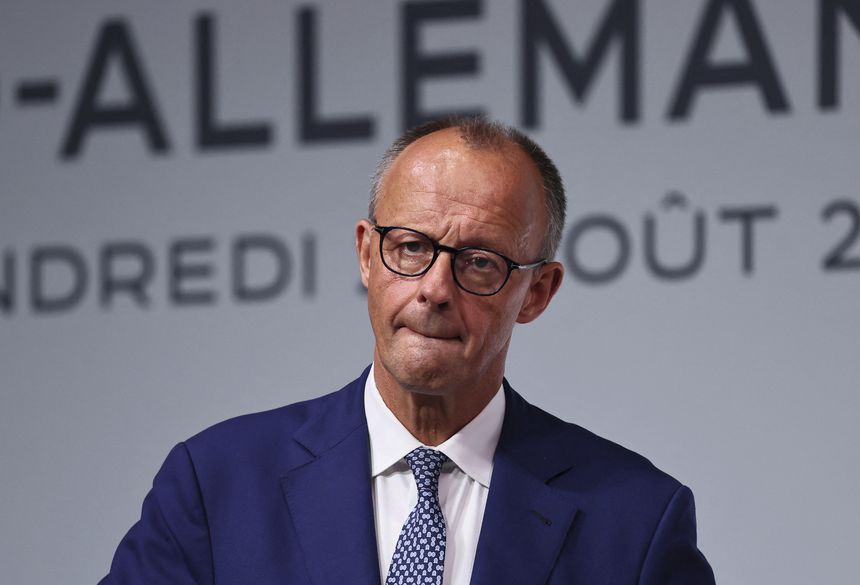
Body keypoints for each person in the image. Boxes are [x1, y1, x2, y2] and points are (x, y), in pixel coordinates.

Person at [101, 117, 715, 584]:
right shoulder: (217, 485)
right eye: (411, 247)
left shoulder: (635, 520)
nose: (435, 290)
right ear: (368, 255)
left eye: (480, 262)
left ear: (536, 292)